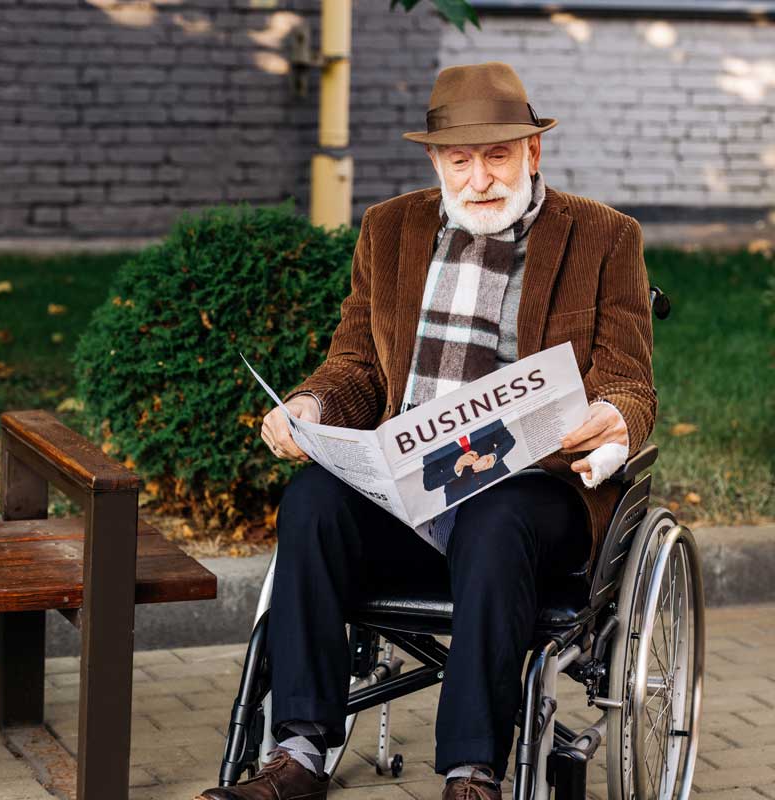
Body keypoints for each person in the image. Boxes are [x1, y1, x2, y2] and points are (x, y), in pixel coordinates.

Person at [197, 61, 654, 800]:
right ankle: (298, 754)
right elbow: (356, 367)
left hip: (528, 492)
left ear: (532, 152)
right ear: (436, 160)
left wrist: (615, 419)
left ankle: (472, 771)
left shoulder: (605, 238)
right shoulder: (389, 229)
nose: (479, 179)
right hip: (409, 487)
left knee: (495, 515)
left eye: (498, 155)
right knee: (312, 501)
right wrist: (310, 408)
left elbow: (630, 381)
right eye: (460, 159)